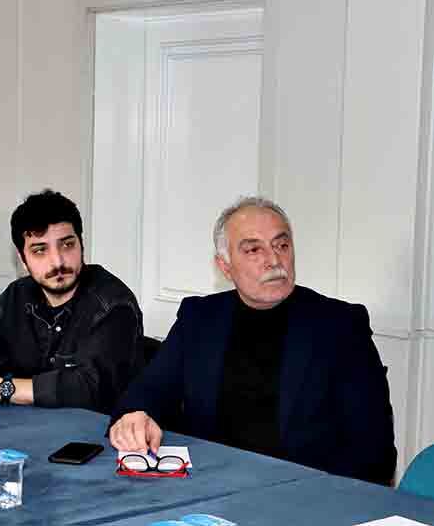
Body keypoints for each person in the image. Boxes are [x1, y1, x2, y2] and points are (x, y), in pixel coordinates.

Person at [109, 196, 397, 485]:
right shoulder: (200, 318)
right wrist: (136, 415)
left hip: (302, 493)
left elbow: (374, 451)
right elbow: (150, 389)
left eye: (282, 246)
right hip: (209, 486)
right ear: (225, 266)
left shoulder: (340, 326)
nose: (274, 261)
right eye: (254, 250)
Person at [0, 189, 144, 414]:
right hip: (31, 424)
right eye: (40, 250)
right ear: (22, 259)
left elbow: (89, 389)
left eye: (67, 245)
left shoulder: (113, 304)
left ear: (81, 244)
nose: (57, 261)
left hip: (100, 429)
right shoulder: (18, 295)